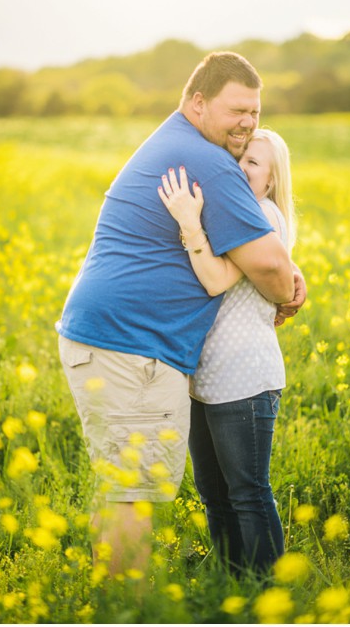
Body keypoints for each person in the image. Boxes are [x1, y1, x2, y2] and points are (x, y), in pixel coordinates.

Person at [56, 52, 306, 576]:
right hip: (131, 347)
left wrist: (286, 277)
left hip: (114, 341)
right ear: (197, 102)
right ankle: (127, 606)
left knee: (127, 490)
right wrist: (288, 292)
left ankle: (133, 598)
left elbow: (267, 259)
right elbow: (267, 265)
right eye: (237, 109)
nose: (247, 123)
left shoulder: (179, 144)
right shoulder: (207, 159)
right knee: (133, 494)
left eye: (255, 113)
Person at [158, 129, 296, 574]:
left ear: (271, 180)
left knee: (248, 493)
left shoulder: (260, 216)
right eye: (238, 157)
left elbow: (216, 279)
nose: (241, 168)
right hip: (205, 377)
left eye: (254, 164)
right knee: (214, 494)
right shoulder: (236, 208)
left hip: (245, 376)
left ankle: (267, 597)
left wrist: (189, 221)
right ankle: (231, 584)